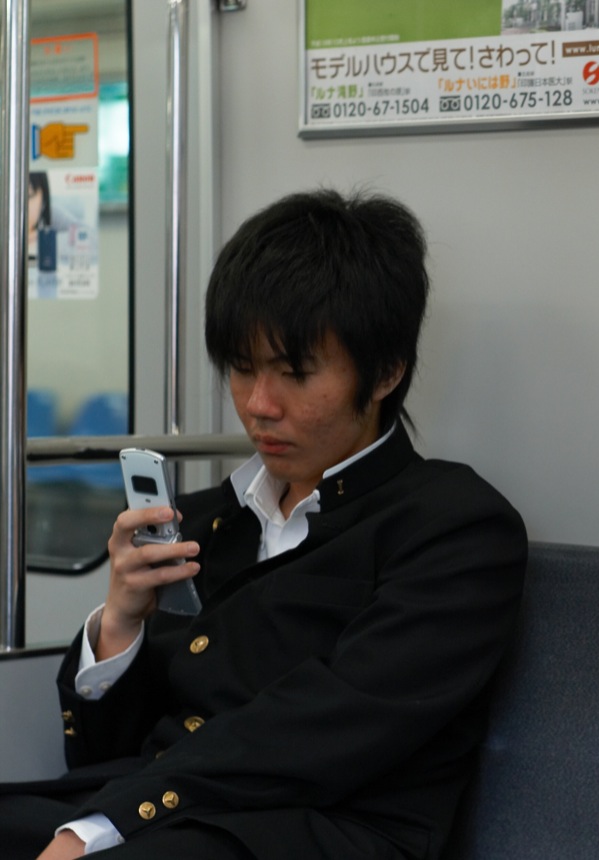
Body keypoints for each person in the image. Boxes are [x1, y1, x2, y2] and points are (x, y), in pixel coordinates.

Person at [0, 189, 528, 859]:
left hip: (323, 829)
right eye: (242, 370)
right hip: (161, 810)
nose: (258, 405)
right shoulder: (201, 520)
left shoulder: (455, 528)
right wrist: (121, 624)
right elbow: (102, 754)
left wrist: (101, 827)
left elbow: (330, 726)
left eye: (296, 374)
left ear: (386, 372)